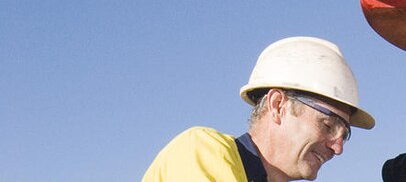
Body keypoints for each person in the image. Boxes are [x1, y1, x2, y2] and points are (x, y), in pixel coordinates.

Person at [143, 37, 375, 182]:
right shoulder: (200, 152)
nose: (338, 148)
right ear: (277, 106)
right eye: (327, 125)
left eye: (345, 135)